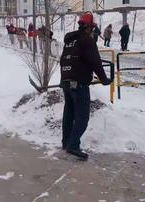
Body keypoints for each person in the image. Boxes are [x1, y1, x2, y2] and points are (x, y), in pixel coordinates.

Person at [60, 11, 111, 160]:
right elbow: (95, 62)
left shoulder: (70, 40)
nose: (93, 31)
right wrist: (104, 79)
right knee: (82, 117)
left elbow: (65, 60)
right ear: (89, 27)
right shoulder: (87, 40)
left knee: (69, 114)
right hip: (79, 84)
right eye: (93, 28)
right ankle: (73, 145)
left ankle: (66, 142)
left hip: (66, 81)